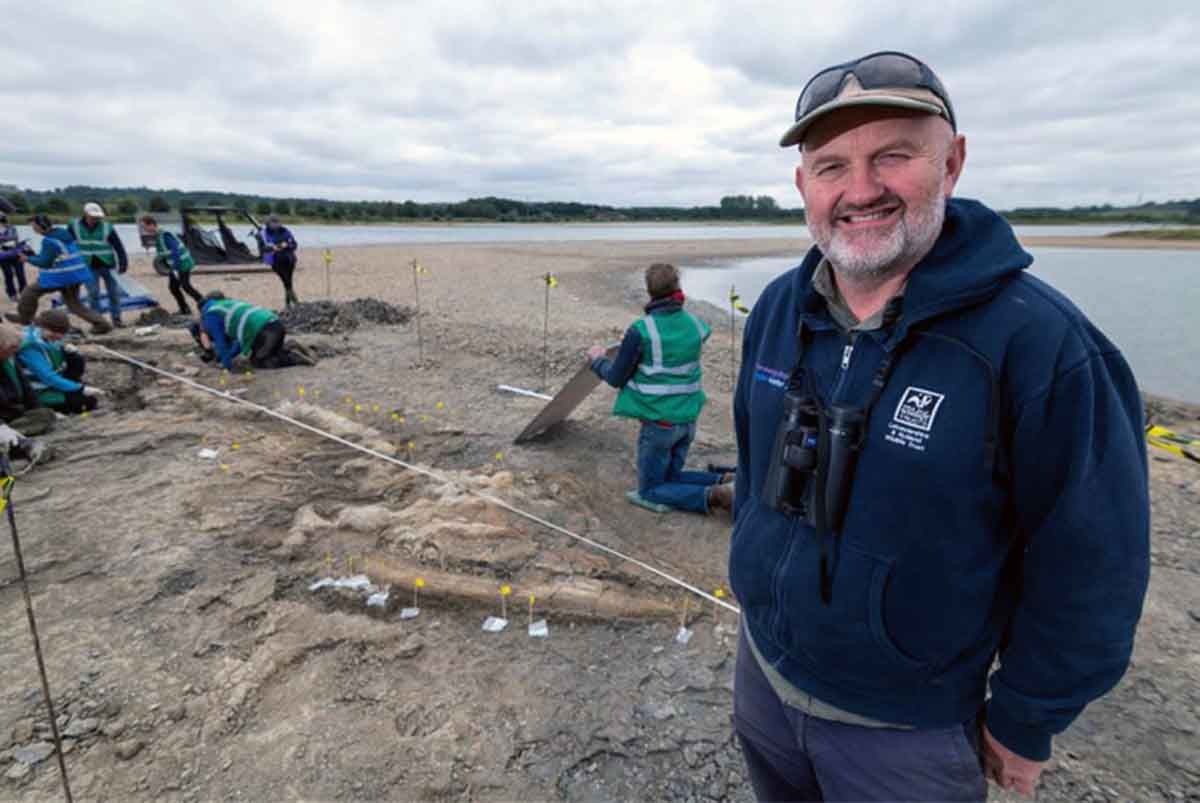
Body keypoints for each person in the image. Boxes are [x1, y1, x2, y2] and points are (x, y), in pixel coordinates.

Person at [729, 51, 1149, 802]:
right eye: (831, 166)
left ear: (951, 163)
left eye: (893, 155)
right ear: (803, 186)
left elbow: (1094, 560)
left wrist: (1026, 718)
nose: (860, 190)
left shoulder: (1043, 344)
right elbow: (757, 468)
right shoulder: (774, 313)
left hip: (908, 730)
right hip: (763, 674)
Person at [586, 263, 732, 515]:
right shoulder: (697, 326)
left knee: (650, 490)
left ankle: (713, 497)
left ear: (649, 291)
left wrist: (597, 359)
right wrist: (634, 346)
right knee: (672, 476)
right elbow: (671, 348)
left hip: (659, 424)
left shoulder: (641, 330)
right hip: (687, 419)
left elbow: (615, 378)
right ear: (678, 287)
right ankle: (725, 481)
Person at [4, 215, 112, 334]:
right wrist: (33, 255)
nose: (33, 229)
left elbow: (45, 262)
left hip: (61, 277)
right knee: (74, 305)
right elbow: (56, 255)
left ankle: (24, 319)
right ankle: (102, 324)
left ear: (41, 226)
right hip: (75, 275)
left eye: (34, 226)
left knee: (29, 292)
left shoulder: (49, 241)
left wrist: (27, 259)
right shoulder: (62, 233)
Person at [191, 291, 316, 370]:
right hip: (274, 325)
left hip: (265, 330)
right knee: (269, 352)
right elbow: (239, 343)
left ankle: (293, 358)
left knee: (258, 361)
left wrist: (226, 365)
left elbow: (221, 342)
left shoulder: (210, 316)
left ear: (201, 311)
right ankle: (290, 345)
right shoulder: (225, 305)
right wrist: (228, 356)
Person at [16, 310, 105, 414]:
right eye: (54, 331)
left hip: (52, 384)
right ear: (41, 327)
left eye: (61, 333)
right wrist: (80, 389)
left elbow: (61, 364)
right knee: (85, 402)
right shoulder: (29, 348)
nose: (58, 336)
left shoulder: (48, 339)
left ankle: (70, 392)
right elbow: (48, 377)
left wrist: (72, 354)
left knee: (75, 358)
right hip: (39, 392)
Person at [71, 202, 129, 328]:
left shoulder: (107, 227)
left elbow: (118, 246)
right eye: (93, 218)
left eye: (97, 218)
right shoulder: (74, 226)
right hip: (88, 265)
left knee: (114, 293)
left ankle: (117, 319)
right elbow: (66, 243)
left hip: (108, 265)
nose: (95, 220)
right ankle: (97, 321)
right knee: (93, 294)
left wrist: (123, 262)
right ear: (85, 214)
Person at [141, 215, 205, 315]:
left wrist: (175, 268)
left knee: (186, 286)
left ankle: (205, 305)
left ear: (152, 225)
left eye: (145, 227)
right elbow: (165, 253)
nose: (144, 229)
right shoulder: (158, 235)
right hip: (175, 265)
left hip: (182, 264)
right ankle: (185, 309)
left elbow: (175, 250)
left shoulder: (165, 235)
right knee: (173, 287)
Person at [259, 215, 299, 307]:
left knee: (288, 281)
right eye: (273, 223)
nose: (276, 225)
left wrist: (287, 245)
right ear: (268, 224)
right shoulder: (264, 234)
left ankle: (289, 303)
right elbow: (263, 249)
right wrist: (272, 247)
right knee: (286, 281)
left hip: (289, 259)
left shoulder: (285, 231)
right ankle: (295, 302)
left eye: (277, 222)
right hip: (275, 261)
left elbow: (294, 244)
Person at [0, 212, 29, 301]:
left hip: (16, 253)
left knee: (20, 274)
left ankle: (24, 293)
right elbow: (12, 238)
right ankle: (12, 294)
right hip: (3, 256)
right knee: (8, 275)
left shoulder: (12, 228)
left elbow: (16, 238)